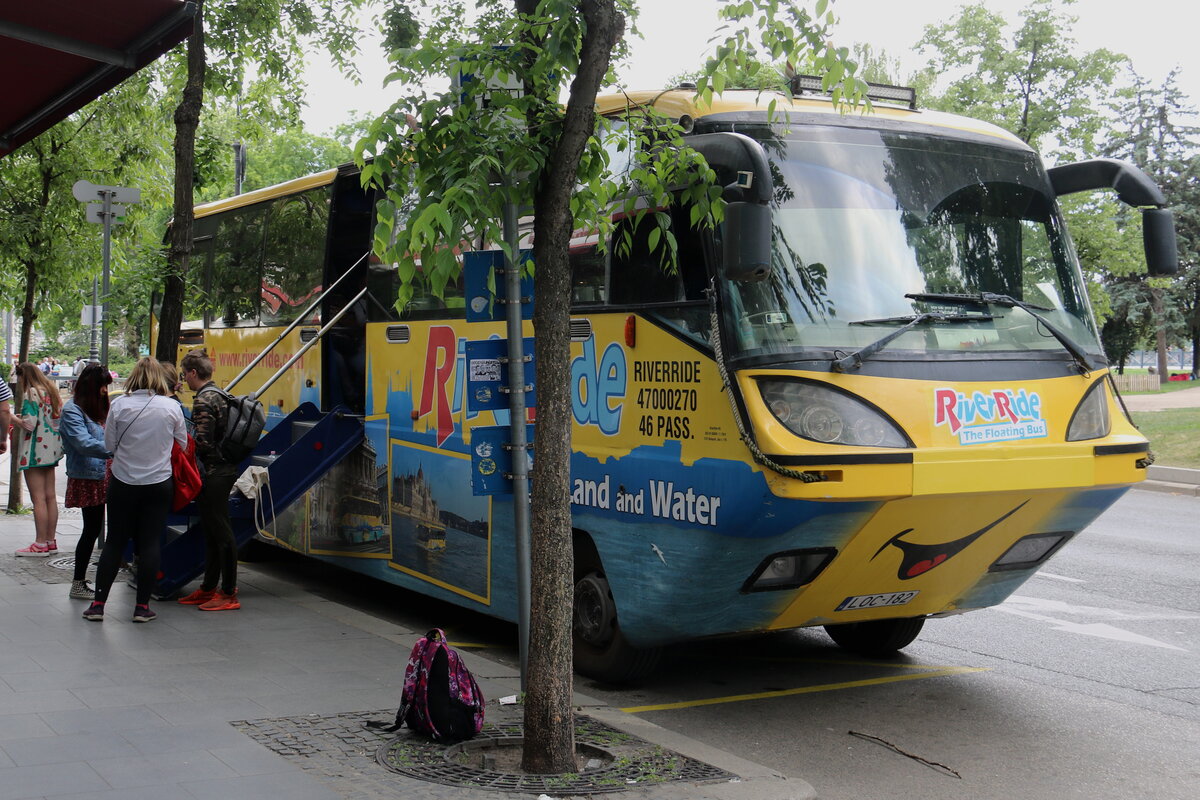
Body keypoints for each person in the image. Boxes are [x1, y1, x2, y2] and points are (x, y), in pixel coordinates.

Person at [83, 358, 186, 623]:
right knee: (150, 542)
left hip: (124, 481)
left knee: (115, 542)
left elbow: (109, 444)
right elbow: (182, 443)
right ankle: (142, 607)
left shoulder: (119, 405)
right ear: (158, 378)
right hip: (158, 483)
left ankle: (97, 605)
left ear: (134, 377)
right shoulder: (171, 407)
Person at [178, 348, 241, 611]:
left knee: (222, 533)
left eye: (184, 374)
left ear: (193, 372)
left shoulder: (204, 400)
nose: (183, 379)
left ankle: (228, 593)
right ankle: (208, 588)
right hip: (223, 469)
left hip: (214, 471)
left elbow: (202, 441)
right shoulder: (219, 394)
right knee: (213, 532)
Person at [59, 365, 114, 600]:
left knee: (103, 528)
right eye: (102, 385)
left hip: (109, 473)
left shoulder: (99, 406)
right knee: (91, 529)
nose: (105, 390)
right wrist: (116, 450)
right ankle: (78, 582)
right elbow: (83, 443)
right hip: (89, 476)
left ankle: (87, 580)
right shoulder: (72, 410)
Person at [13, 362, 64, 556]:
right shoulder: (51, 391)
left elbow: (29, 424)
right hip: (50, 451)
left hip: (34, 452)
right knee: (50, 497)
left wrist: (12, 418)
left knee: (38, 499)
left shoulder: (31, 393)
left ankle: (40, 543)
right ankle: (51, 541)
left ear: (24, 376)